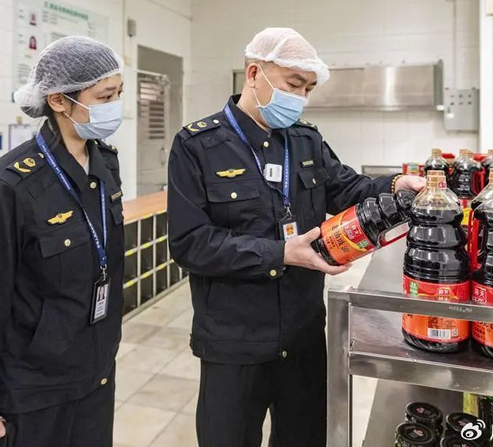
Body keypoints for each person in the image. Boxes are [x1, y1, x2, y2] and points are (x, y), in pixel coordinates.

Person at [168, 27, 425, 447]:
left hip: (303, 333)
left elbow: (348, 188)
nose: (301, 97)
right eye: (293, 84)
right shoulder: (197, 145)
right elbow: (190, 243)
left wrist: (397, 184)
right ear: (254, 74)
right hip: (235, 340)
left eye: (308, 89)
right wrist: (281, 253)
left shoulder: (305, 140)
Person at [0, 36, 126, 447]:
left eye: (118, 94)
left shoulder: (104, 164)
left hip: (94, 374)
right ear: (59, 101)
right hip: (32, 390)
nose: (115, 106)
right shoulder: (6, 186)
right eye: (104, 96)